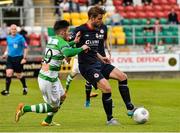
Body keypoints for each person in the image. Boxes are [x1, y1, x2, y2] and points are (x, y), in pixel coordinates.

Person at [14, 20, 89, 126]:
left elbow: (63, 46)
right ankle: (24, 109)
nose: (69, 34)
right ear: (62, 32)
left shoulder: (53, 39)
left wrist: (74, 42)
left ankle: (47, 121)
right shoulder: (61, 42)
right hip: (47, 79)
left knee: (62, 96)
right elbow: (67, 52)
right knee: (53, 107)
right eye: (68, 31)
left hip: (51, 77)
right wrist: (81, 48)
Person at [74, 6, 136, 125]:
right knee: (107, 88)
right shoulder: (80, 30)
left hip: (99, 62)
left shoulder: (98, 29)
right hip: (87, 67)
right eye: (99, 19)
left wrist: (101, 57)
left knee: (123, 76)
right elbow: (69, 44)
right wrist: (72, 46)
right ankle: (110, 119)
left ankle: (130, 108)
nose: (101, 21)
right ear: (92, 18)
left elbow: (92, 49)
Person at [1, 24, 28, 96]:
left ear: (17, 30)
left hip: (18, 58)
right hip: (10, 58)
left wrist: (24, 58)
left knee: (19, 75)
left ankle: (25, 87)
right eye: (12, 29)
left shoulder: (21, 37)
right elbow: (8, 47)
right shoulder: (8, 38)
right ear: (10, 30)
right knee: (8, 73)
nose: (13, 30)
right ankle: (7, 91)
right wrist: (5, 54)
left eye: (15, 29)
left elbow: (25, 48)